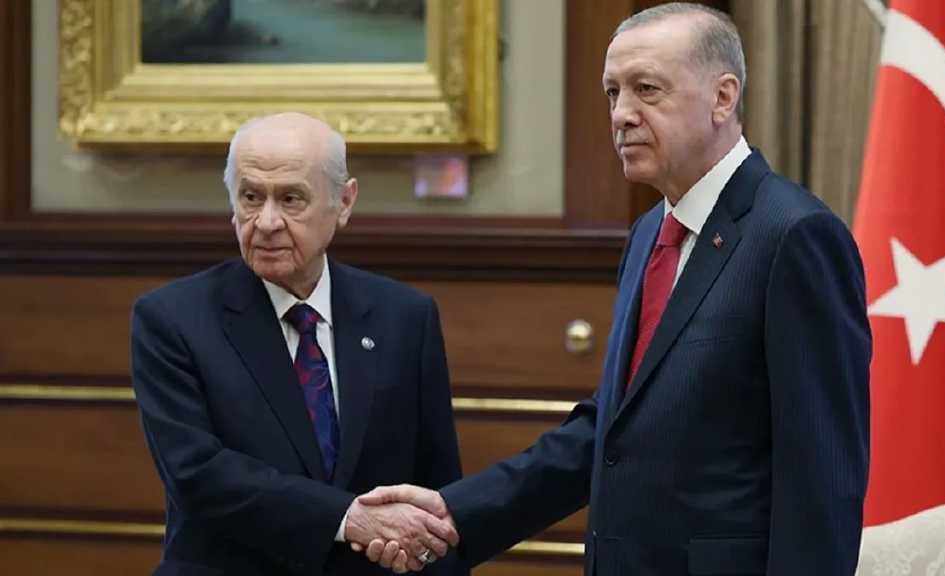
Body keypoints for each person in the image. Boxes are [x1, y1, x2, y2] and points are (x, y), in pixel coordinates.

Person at [355, 3, 872, 575]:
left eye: (647, 90)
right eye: (612, 93)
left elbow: (821, 483)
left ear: (723, 98)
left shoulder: (795, 236)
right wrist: (456, 513)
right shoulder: (650, 232)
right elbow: (612, 430)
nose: (622, 114)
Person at [130, 112, 467, 576]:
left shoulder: (405, 317)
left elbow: (437, 493)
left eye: (291, 199)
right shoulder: (173, 319)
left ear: (343, 203)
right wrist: (347, 519)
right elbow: (198, 475)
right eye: (251, 197)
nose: (267, 222)